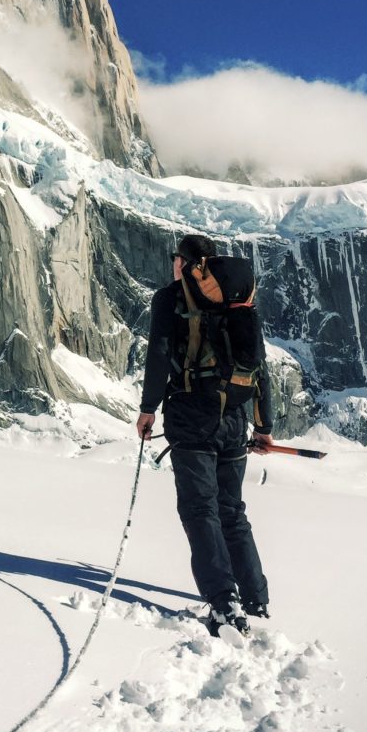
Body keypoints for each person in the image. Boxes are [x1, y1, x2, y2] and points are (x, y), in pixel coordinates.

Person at [135, 234, 274, 636]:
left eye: (175, 258)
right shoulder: (238, 300)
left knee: (200, 510)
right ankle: (256, 599)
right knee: (232, 511)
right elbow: (258, 366)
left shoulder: (170, 298)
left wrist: (148, 409)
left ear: (186, 263)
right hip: (234, 417)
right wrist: (263, 427)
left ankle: (222, 601)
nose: (173, 264)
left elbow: (159, 355)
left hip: (191, 416)